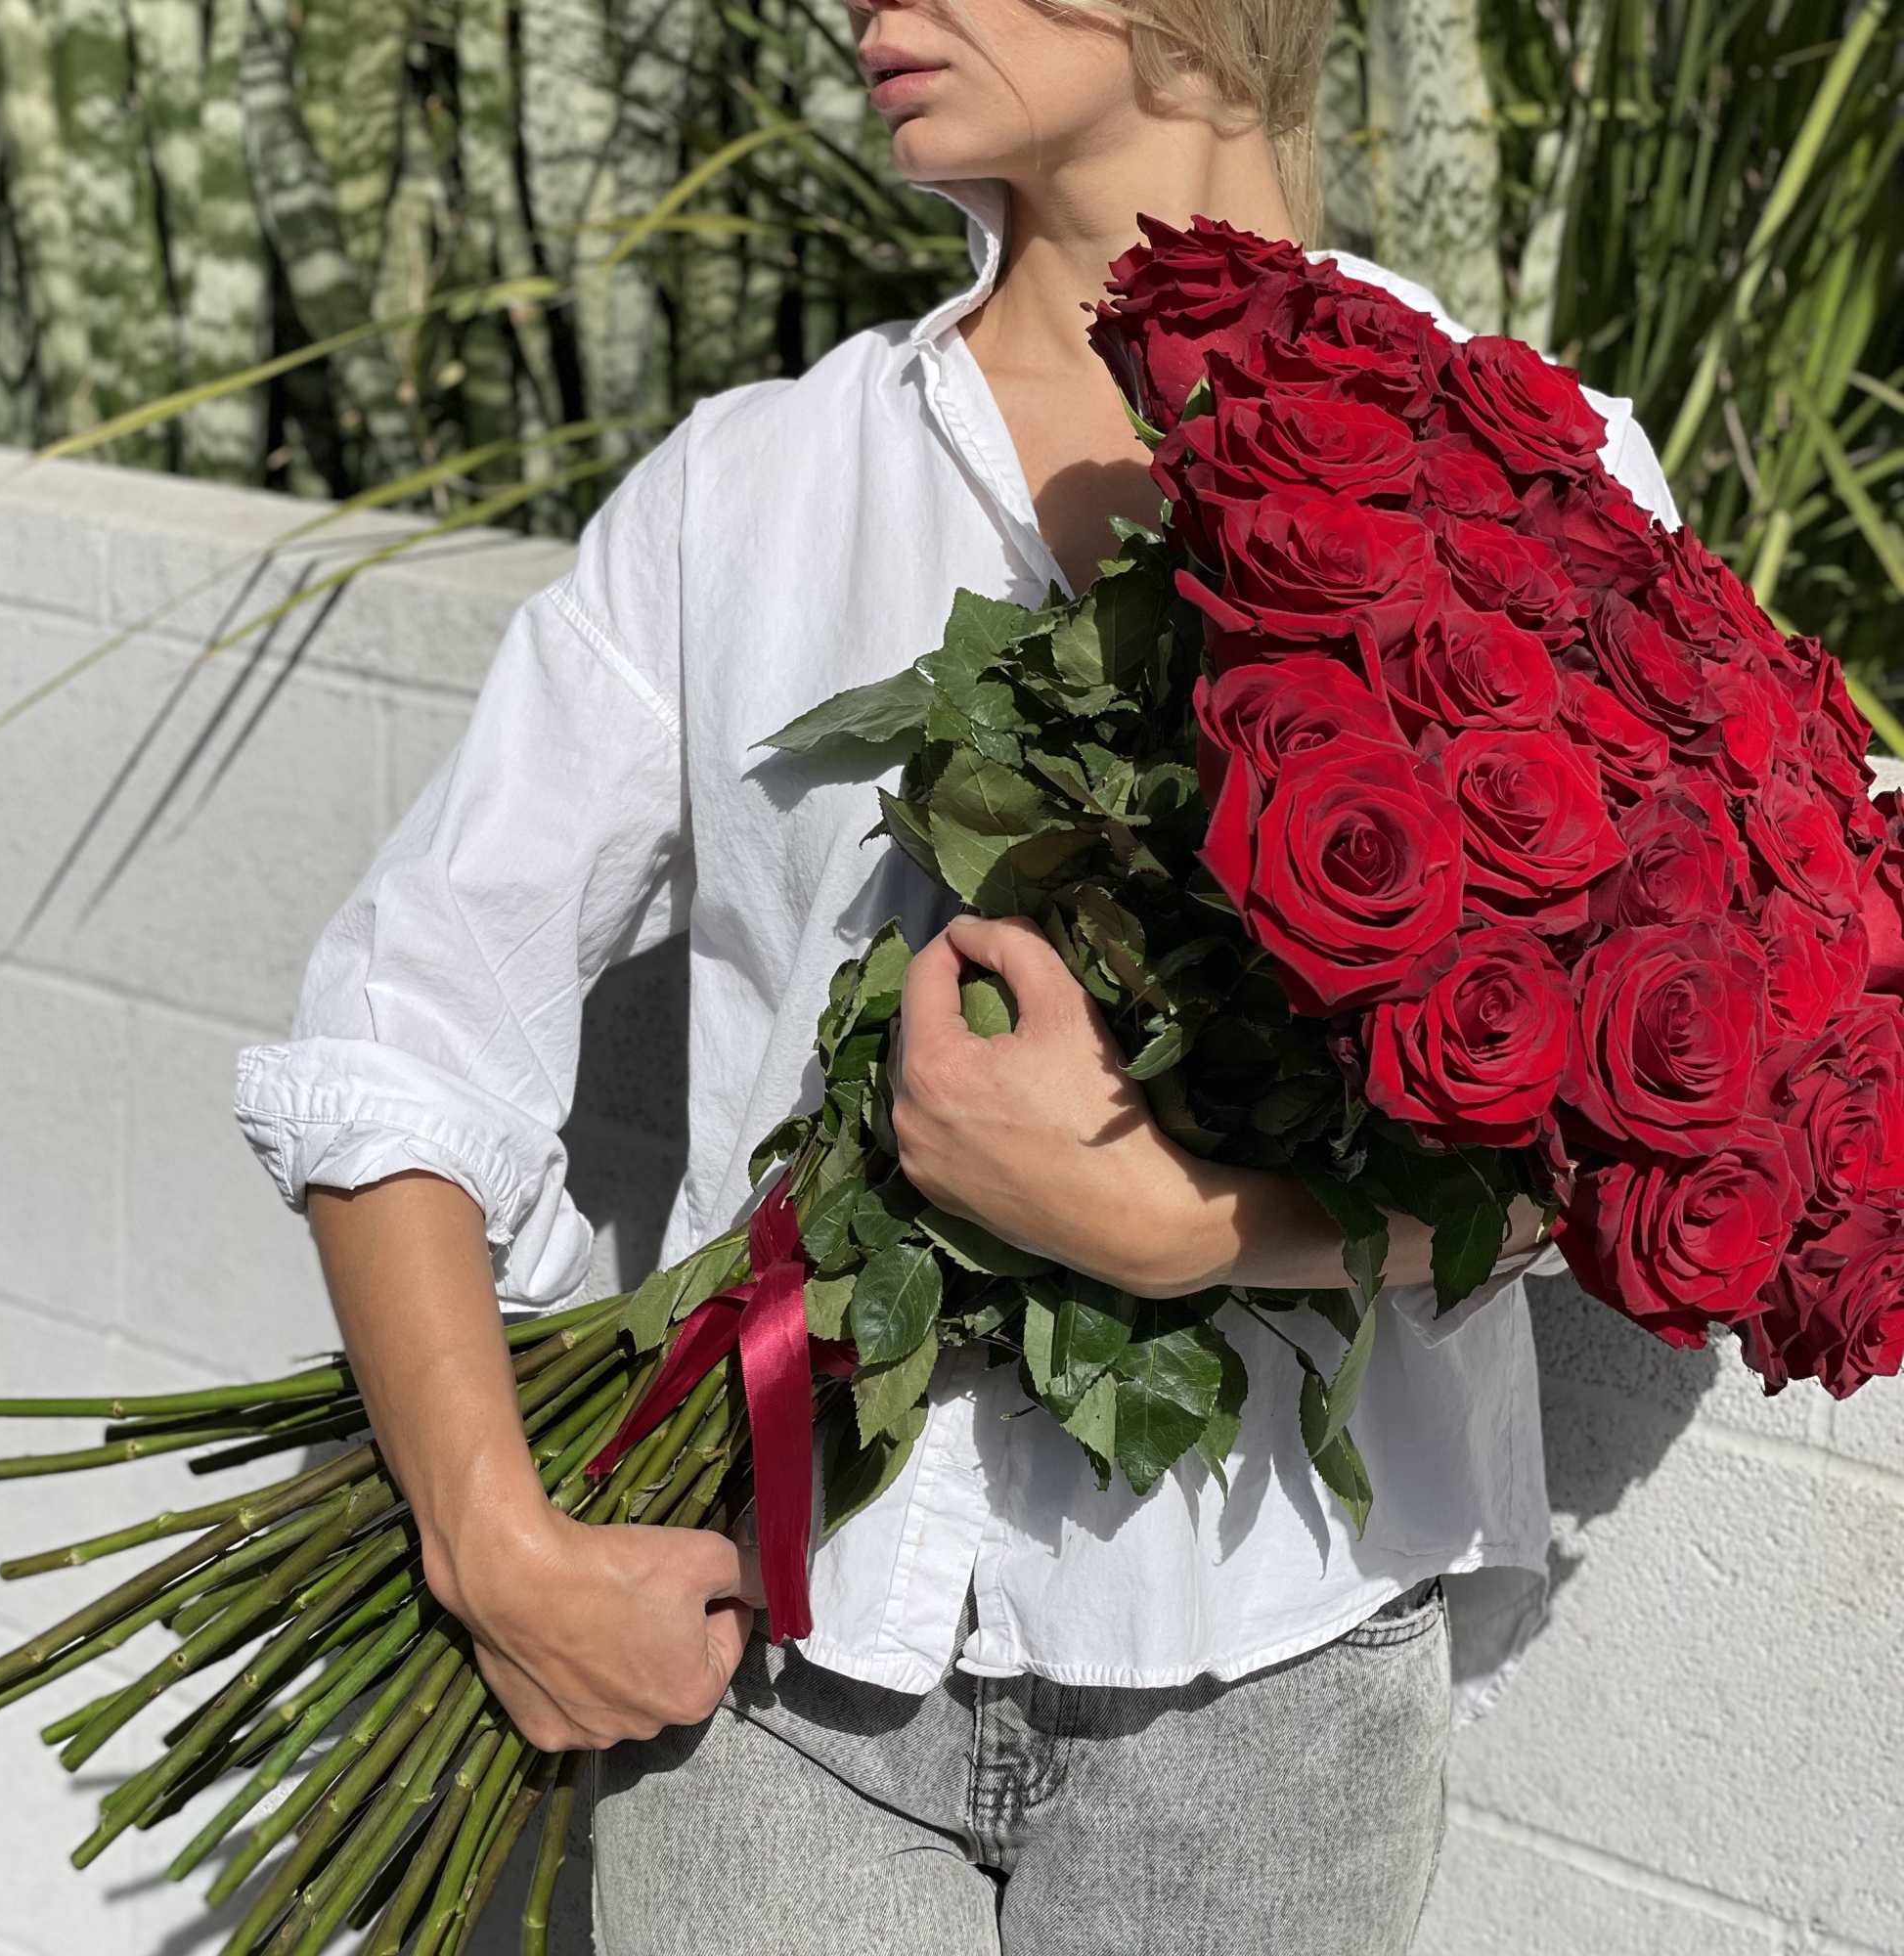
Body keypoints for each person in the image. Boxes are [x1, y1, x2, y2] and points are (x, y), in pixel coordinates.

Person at [234, 1, 1680, 1948]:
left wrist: (1195, 1235)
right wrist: (493, 1539)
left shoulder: (1534, 469)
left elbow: (1626, 1131)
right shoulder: (747, 491)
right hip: (768, 1676)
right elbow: (399, 1025)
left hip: (1268, 1679)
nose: (866, 7)